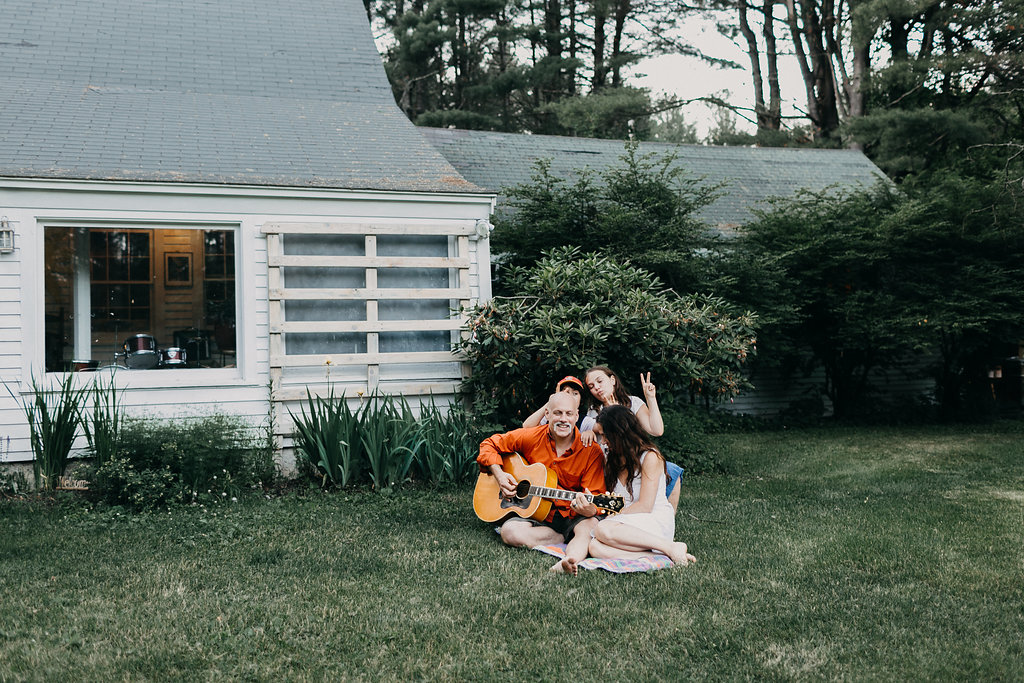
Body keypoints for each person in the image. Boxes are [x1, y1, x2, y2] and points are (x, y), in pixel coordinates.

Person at [477, 391, 607, 572]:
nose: (563, 419)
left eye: (569, 414)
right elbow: (489, 444)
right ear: (547, 414)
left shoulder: (591, 451)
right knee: (509, 532)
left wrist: (589, 509)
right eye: (557, 413)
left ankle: (569, 560)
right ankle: (559, 538)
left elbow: (595, 496)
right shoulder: (532, 437)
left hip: (573, 515)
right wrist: (499, 475)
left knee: (589, 526)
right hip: (538, 514)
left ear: (576, 416)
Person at [581, 405, 696, 572]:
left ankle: (667, 546)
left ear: (619, 433)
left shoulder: (650, 457)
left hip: (652, 519)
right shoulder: (611, 458)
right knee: (594, 547)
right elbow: (615, 501)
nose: (603, 441)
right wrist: (593, 503)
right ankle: (663, 555)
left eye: (605, 435)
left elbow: (645, 506)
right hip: (625, 524)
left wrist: (613, 518)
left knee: (602, 529)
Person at [584, 365, 683, 509]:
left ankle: (667, 516)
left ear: (613, 380)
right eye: (591, 386)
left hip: (635, 461)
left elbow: (656, 430)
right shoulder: (593, 411)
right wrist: (588, 431)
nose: (597, 388)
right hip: (610, 465)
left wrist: (650, 398)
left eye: (600, 381)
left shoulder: (633, 402)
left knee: (672, 470)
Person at [522, 375, 595, 435]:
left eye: (575, 393)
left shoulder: (585, 422)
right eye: (566, 392)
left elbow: (600, 428)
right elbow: (527, 427)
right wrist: (552, 401)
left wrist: (590, 433)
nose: (569, 397)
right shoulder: (549, 416)